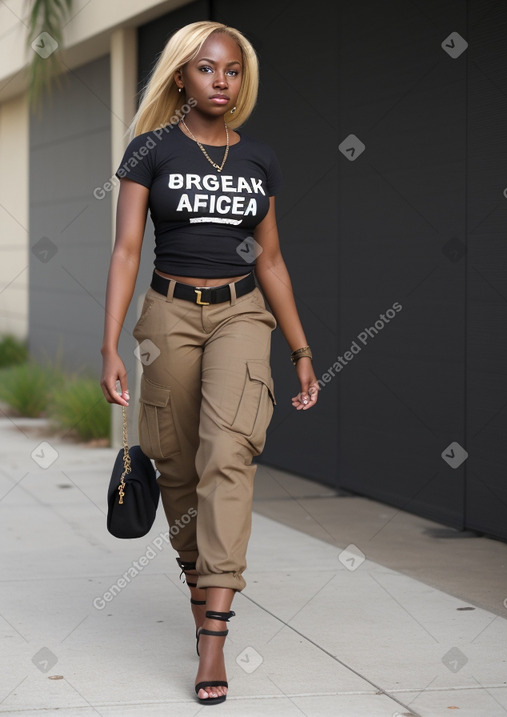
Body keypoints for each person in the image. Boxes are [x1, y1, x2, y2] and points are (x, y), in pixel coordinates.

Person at [100, 19, 318, 706]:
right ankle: (201, 590)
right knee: (177, 464)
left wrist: (301, 348)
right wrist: (108, 343)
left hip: (241, 314)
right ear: (180, 77)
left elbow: (273, 260)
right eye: (206, 69)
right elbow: (128, 251)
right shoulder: (151, 151)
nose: (221, 82)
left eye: (231, 70)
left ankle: (214, 638)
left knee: (229, 452)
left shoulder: (260, 159)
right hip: (169, 314)